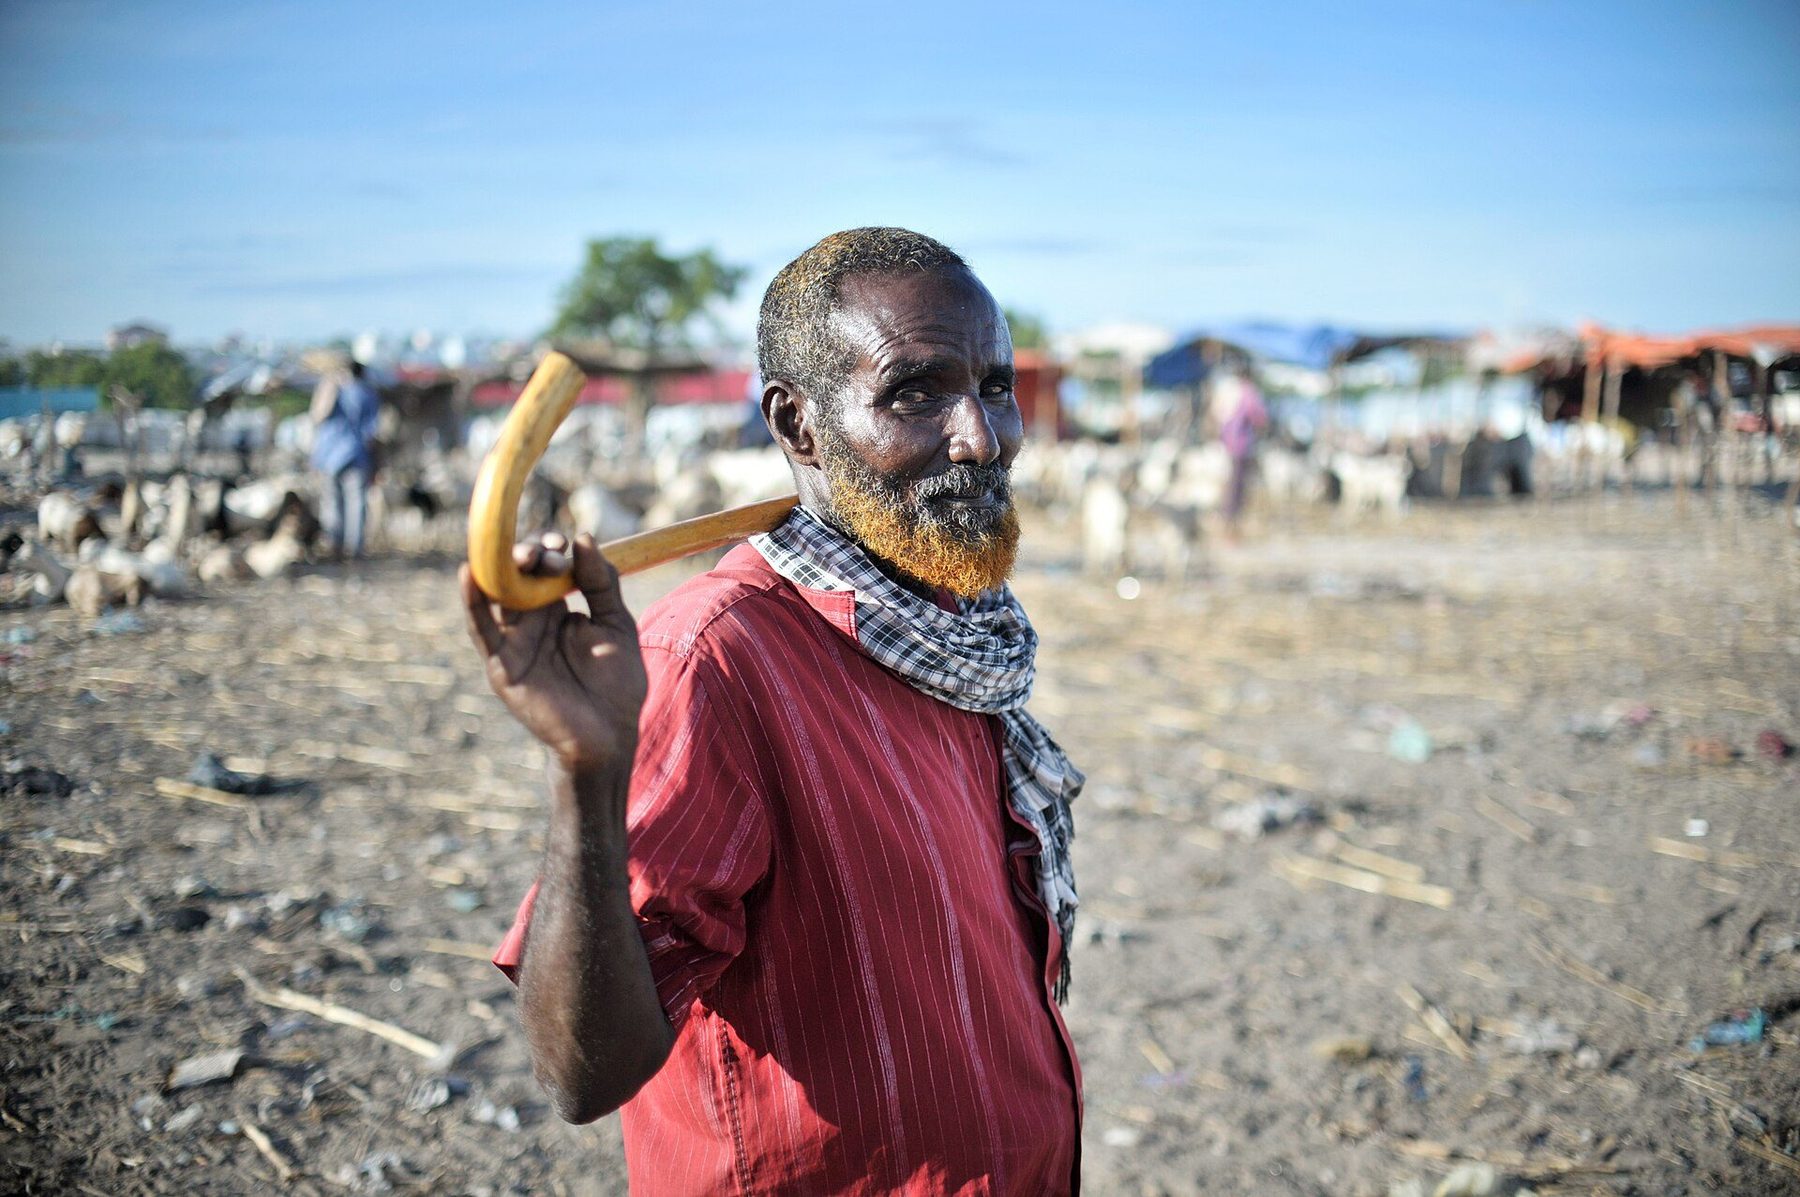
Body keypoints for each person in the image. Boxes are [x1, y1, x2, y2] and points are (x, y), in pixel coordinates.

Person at [461, 228, 1084, 1195]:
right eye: (915, 391)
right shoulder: (716, 658)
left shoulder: (948, 629)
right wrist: (585, 772)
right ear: (798, 427)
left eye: (994, 386)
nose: (980, 435)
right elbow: (584, 1072)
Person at [309, 357, 380, 560]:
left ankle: (335, 547)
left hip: (329, 456)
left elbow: (317, 417)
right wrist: (376, 462)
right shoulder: (368, 394)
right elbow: (373, 434)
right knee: (356, 505)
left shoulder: (333, 391)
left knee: (332, 504)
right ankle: (354, 551)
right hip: (358, 456)